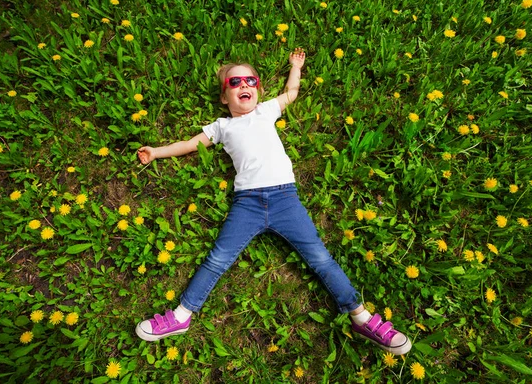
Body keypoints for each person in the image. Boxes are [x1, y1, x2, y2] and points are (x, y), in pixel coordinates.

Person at [135, 48, 411, 355]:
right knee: (217, 258)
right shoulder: (222, 126)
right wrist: (156, 152)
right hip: (247, 204)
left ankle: (362, 318)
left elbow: (292, 93)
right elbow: (190, 144)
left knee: (320, 258)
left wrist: (296, 66)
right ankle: (181, 316)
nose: (243, 85)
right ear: (225, 98)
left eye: (250, 80)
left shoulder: (266, 111)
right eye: (234, 81)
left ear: (258, 89)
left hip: (285, 199)